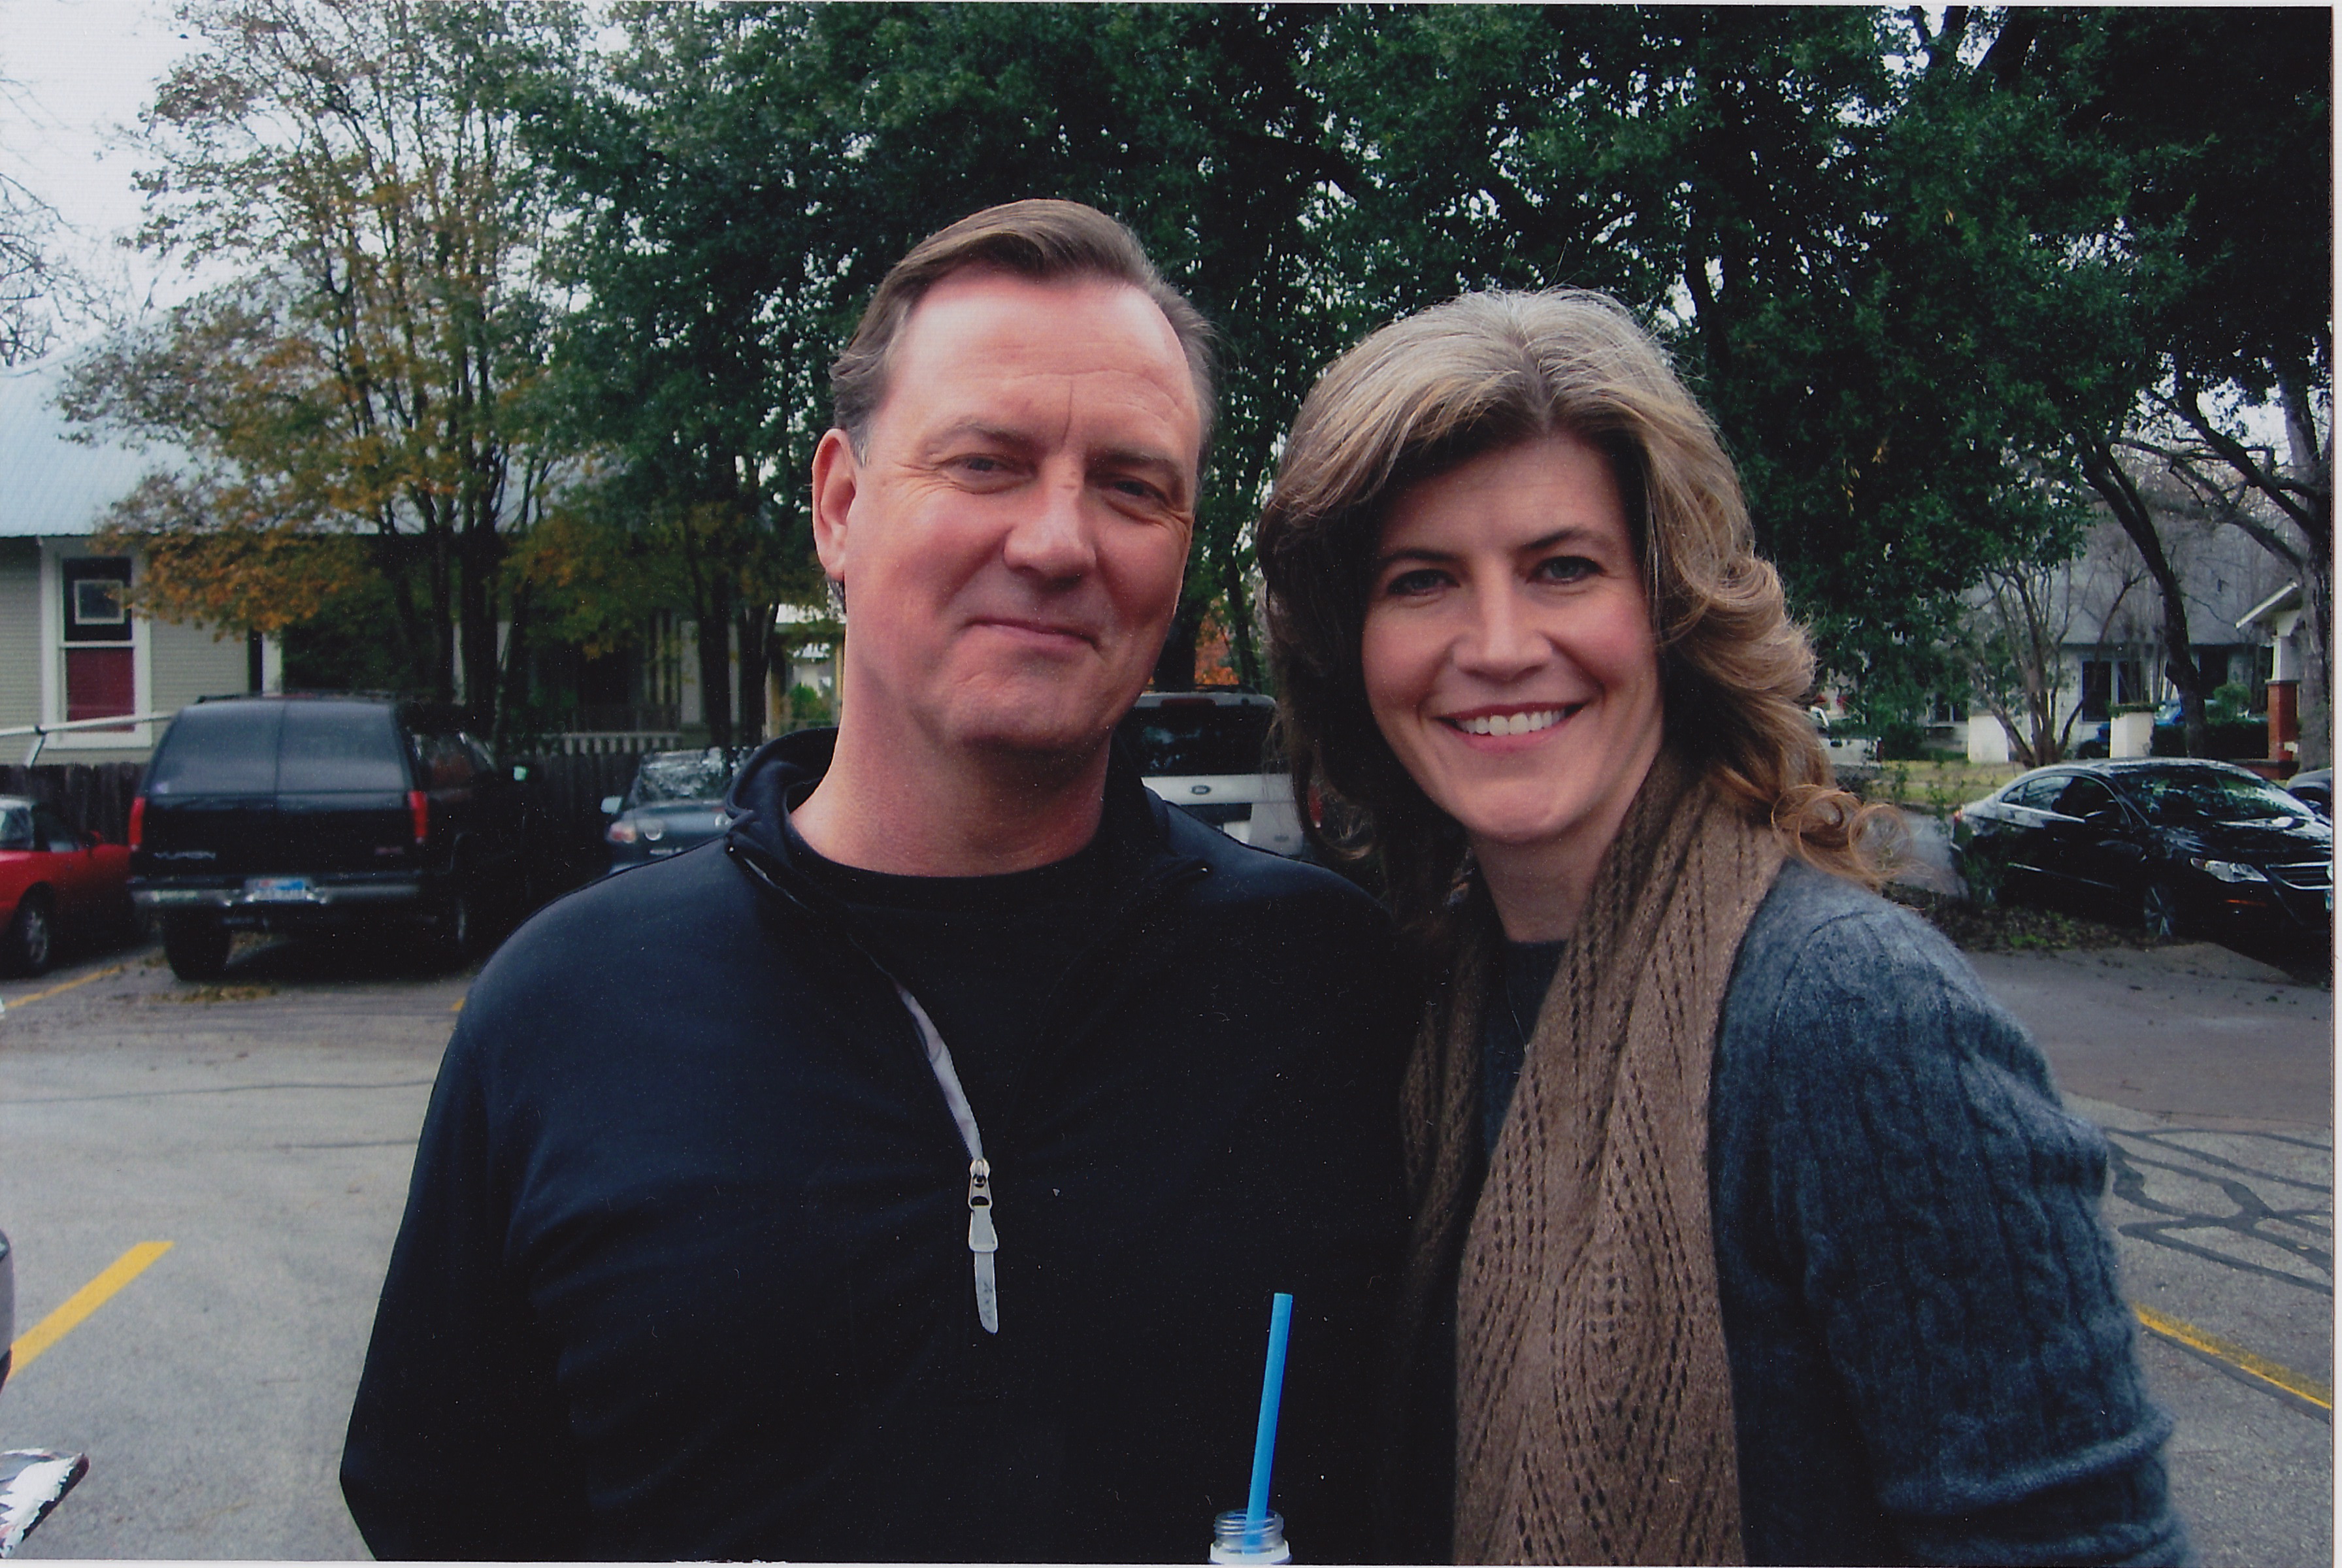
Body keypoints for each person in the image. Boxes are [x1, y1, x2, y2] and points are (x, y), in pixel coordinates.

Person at [340, 200, 1410, 1562]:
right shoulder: (566, 1011)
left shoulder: (1327, 988)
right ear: (840, 506)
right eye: (986, 464)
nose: (1058, 542)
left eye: (1133, 487)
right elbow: (441, 1512)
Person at [1255, 289, 2189, 1567]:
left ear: (1673, 609)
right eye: (1422, 581)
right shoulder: (1421, 1003)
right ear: (1353, 650)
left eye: (1562, 567)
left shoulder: (1854, 1025)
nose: (1497, 643)